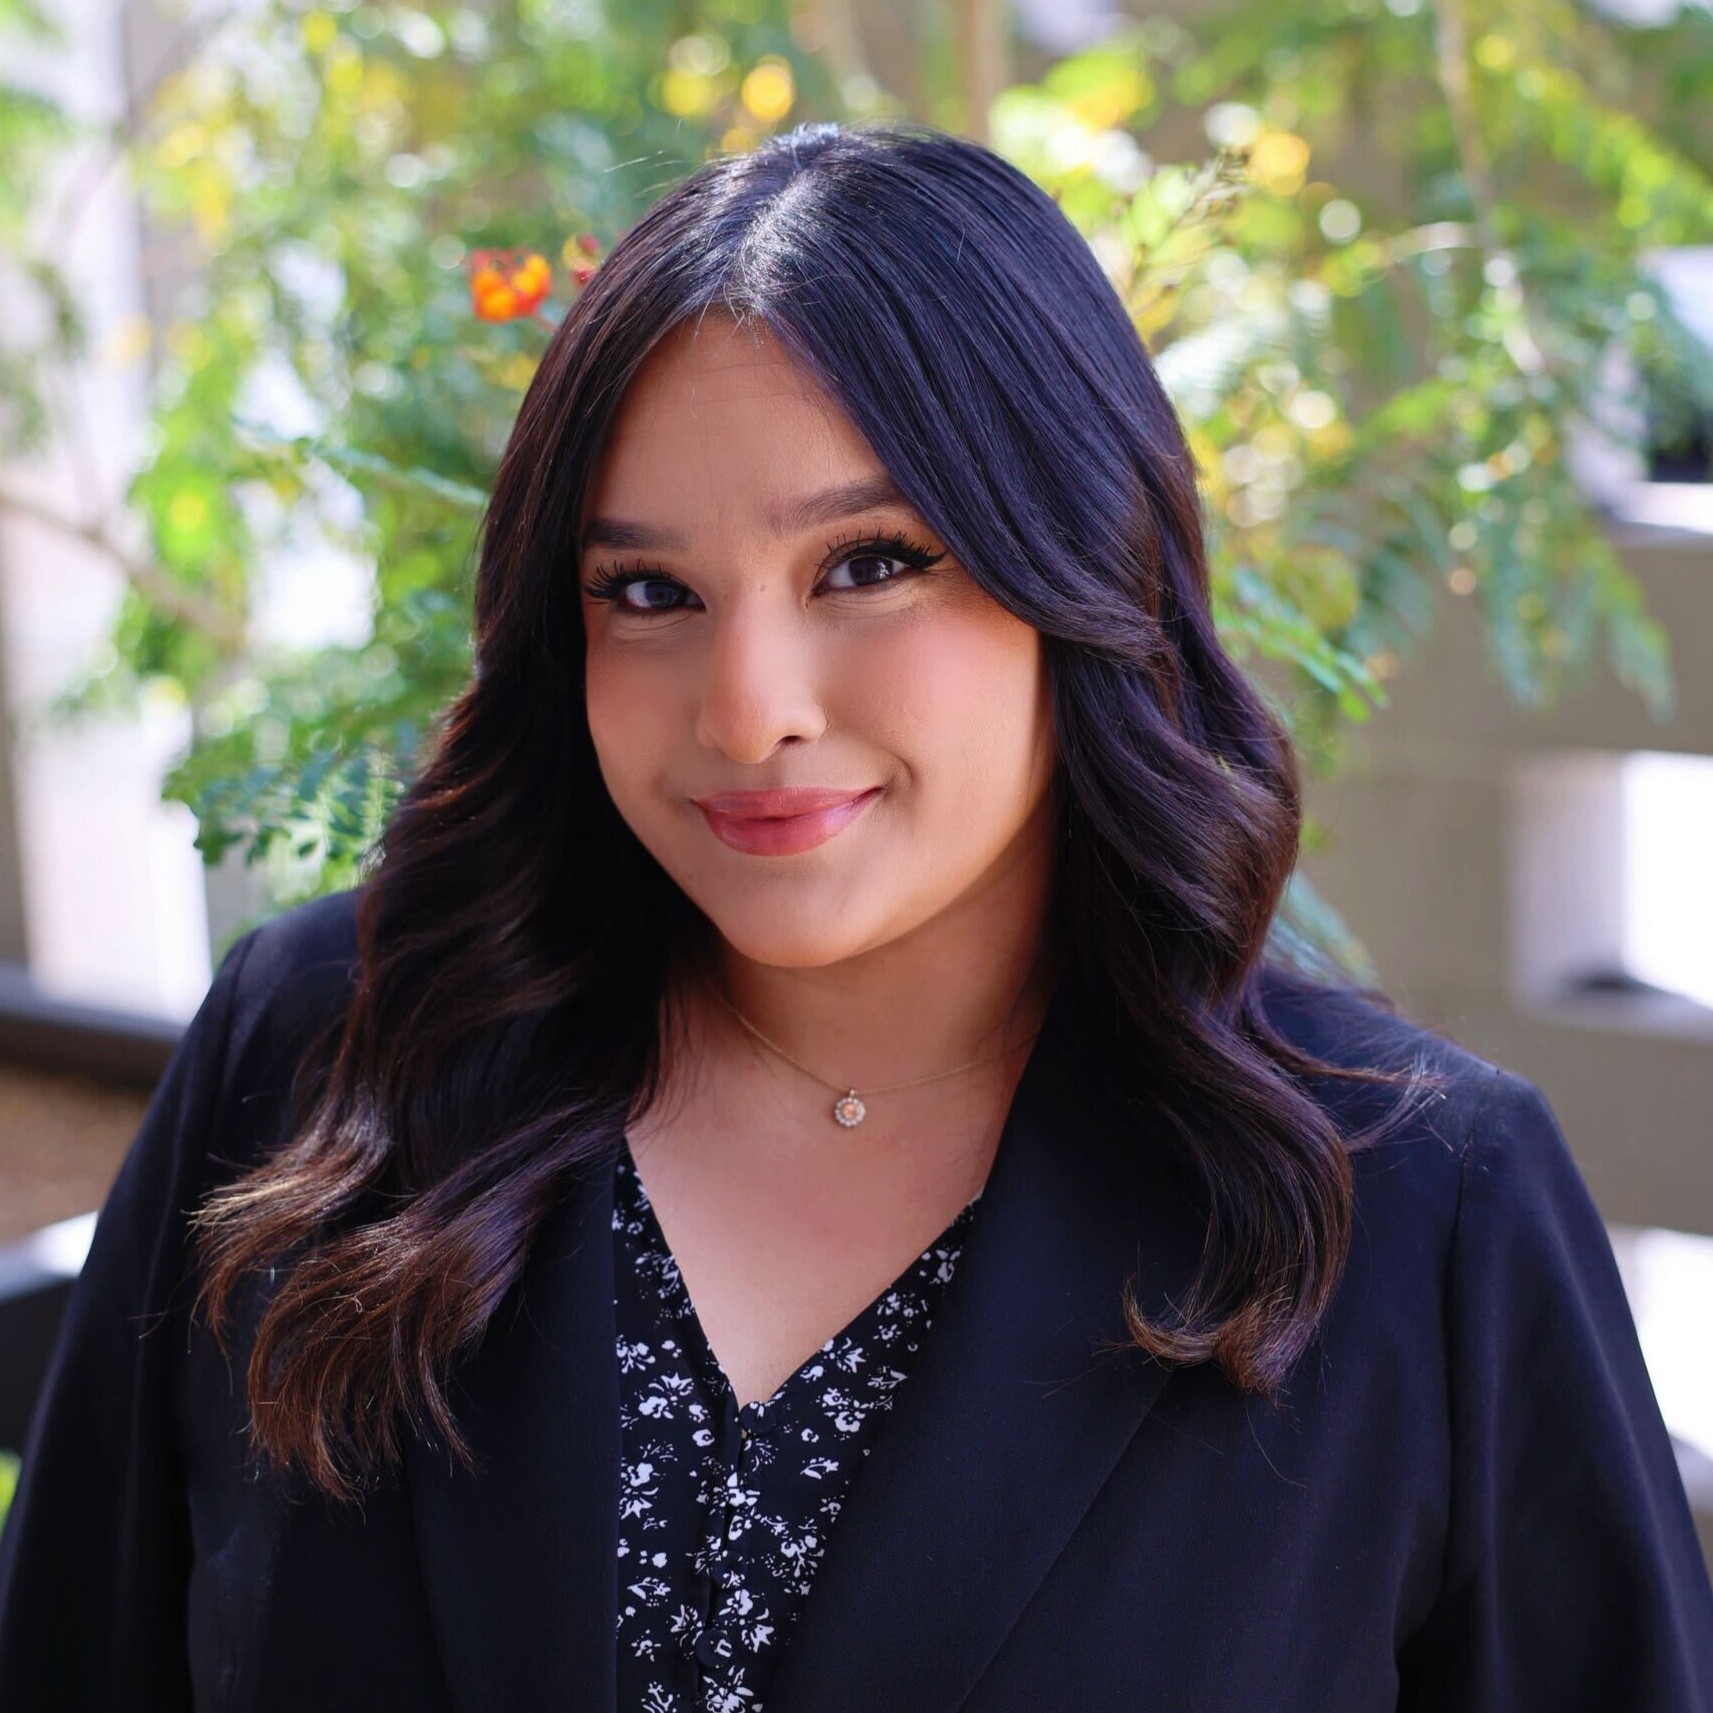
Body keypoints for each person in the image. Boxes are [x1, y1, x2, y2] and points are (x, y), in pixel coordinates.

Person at [1, 118, 1709, 1713]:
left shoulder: (1418, 1204)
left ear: (1079, 559)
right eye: (647, 591)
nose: (748, 710)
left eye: (870, 562)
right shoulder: (324, 1052)